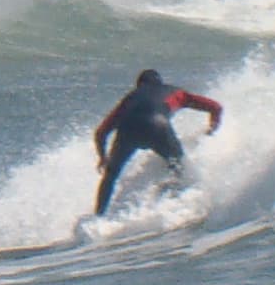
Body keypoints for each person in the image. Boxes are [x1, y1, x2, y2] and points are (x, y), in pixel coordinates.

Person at [92, 69, 224, 215]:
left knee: (110, 176)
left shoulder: (130, 98)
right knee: (180, 169)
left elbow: (101, 133)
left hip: (127, 131)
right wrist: (211, 130)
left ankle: (98, 217)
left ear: (139, 85)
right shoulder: (176, 92)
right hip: (158, 128)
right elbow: (216, 107)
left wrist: (103, 158)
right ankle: (182, 208)